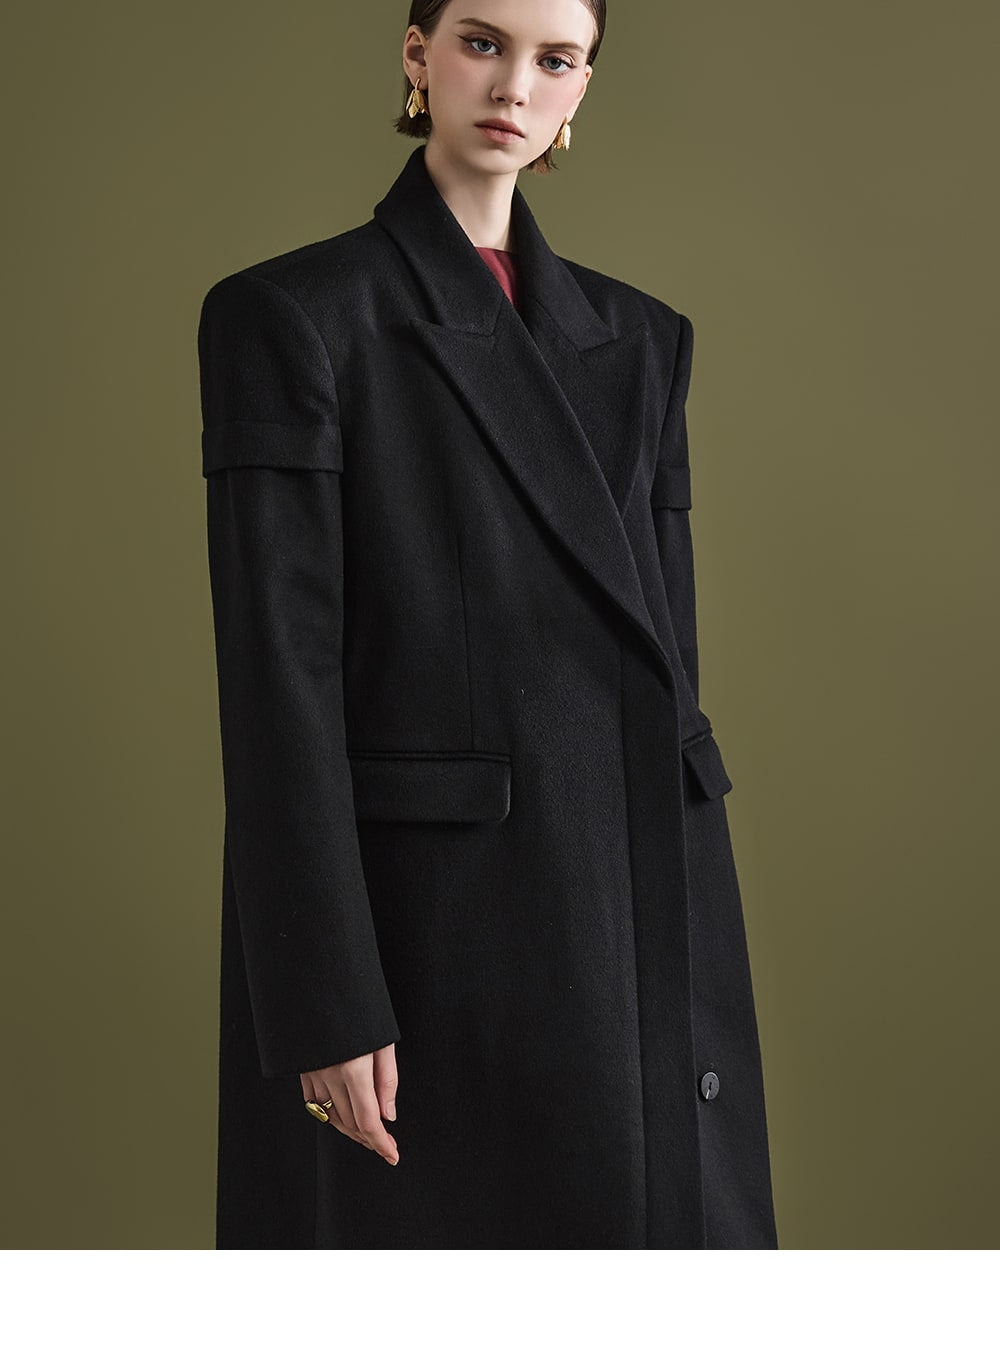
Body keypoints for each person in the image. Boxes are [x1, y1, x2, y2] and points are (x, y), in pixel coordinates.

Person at [198, 0, 779, 1249]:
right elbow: (278, 686)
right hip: (432, 938)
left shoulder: (643, 339)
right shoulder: (293, 317)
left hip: (638, 903)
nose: (514, 84)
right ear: (418, 56)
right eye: (481, 42)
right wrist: (322, 999)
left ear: (581, 91)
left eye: (554, 59)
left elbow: (663, 667)